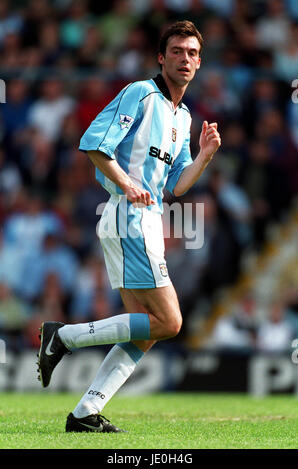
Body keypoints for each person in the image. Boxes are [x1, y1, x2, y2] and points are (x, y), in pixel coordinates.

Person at [37, 20, 221, 433]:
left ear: (199, 61)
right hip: (128, 216)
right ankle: (62, 336)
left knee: (147, 329)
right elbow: (94, 145)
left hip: (145, 219)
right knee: (170, 322)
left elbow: (175, 185)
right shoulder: (140, 93)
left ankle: (85, 413)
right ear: (161, 57)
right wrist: (128, 184)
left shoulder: (184, 117)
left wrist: (205, 156)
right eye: (176, 51)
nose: (185, 59)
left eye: (192, 53)